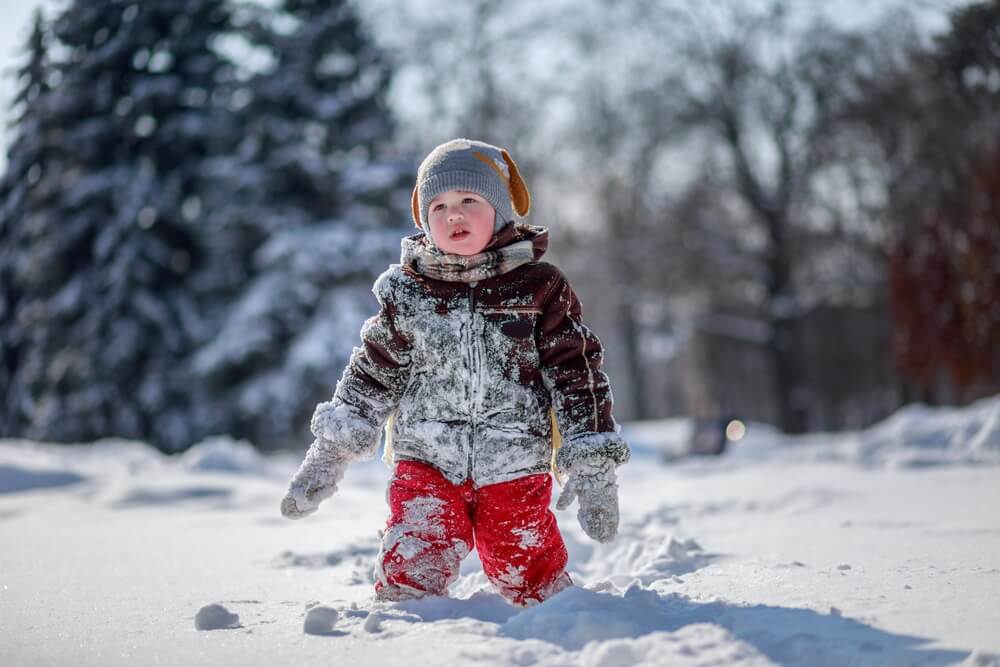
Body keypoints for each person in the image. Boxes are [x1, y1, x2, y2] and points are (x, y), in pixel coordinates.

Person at [280, 138, 629, 607]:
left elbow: (576, 373)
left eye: (469, 200)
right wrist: (330, 451)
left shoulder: (538, 288)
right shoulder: (408, 293)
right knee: (412, 567)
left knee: (532, 577)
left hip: (514, 463)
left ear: (502, 211)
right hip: (425, 462)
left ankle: (553, 622)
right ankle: (407, 637)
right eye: (438, 206)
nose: (453, 215)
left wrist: (590, 459)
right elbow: (373, 373)